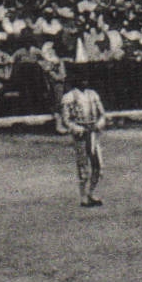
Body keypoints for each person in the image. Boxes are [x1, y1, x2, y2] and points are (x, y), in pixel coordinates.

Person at [59, 70, 107, 207]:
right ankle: (83, 197)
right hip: (80, 135)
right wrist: (78, 129)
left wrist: (98, 125)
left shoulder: (92, 95)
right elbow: (66, 120)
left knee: (98, 166)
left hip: (93, 133)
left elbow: (102, 114)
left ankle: (91, 193)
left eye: (85, 79)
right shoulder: (69, 97)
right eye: (81, 79)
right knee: (83, 167)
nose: (84, 82)